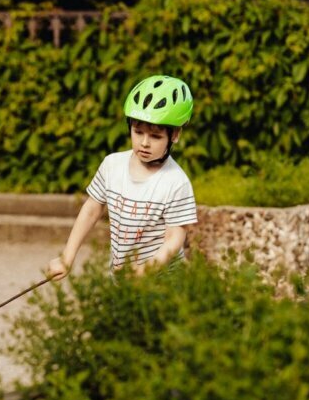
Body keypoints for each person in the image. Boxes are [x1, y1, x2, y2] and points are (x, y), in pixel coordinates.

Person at [48, 75, 197, 281]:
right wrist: (67, 257)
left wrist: (146, 270)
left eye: (155, 136)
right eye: (138, 132)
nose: (144, 142)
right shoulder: (112, 165)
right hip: (123, 280)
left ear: (175, 135)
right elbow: (92, 209)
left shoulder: (176, 182)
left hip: (164, 284)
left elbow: (175, 237)